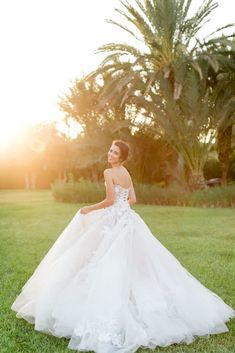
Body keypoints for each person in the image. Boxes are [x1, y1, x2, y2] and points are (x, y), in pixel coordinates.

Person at [11, 139, 235, 353]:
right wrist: (121, 210)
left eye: (114, 152)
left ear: (121, 157)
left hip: (116, 221)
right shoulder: (126, 173)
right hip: (128, 219)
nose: (110, 154)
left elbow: (109, 200)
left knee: (103, 261)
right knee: (133, 265)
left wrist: (90, 208)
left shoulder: (109, 172)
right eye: (110, 150)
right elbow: (132, 199)